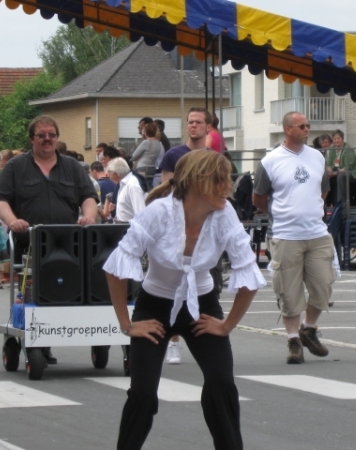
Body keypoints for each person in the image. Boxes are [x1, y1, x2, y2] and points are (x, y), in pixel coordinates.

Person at [104, 149, 265, 450]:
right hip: (154, 306)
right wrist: (127, 325)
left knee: (222, 386)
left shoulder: (224, 213)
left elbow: (249, 274)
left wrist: (227, 325)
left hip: (202, 305)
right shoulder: (159, 212)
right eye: (222, 180)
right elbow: (116, 268)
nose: (229, 187)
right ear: (198, 183)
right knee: (143, 394)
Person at [0, 115, 98, 364]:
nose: (47, 139)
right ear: (32, 140)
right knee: (34, 292)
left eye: (52, 134)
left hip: (68, 243)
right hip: (29, 242)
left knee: (68, 288)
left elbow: (88, 196)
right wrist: (12, 220)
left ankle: (76, 330)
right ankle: (40, 339)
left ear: (57, 137)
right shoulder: (15, 167)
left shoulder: (72, 167)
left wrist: (89, 216)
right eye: (42, 135)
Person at [253, 111, 335, 364]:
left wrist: (308, 210)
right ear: (288, 129)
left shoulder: (317, 157)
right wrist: (283, 213)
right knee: (289, 293)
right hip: (286, 234)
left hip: (317, 232)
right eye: (301, 126)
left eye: (308, 125)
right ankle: (293, 340)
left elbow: (323, 191)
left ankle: (308, 328)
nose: (307, 129)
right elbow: (259, 198)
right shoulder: (270, 161)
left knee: (323, 285)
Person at [159, 106, 214, 364]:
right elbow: (165, 188)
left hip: (205, 225)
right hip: (179, 224)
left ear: (207, 127)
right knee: (175, 280)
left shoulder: (214, 156)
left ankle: (207, 335)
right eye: (190, 122)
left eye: (198, 122)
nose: (193, 126)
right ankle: (173, 340)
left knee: (204, 283)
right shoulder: (174, 155)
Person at [106, 157, 146, 223]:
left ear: (115, 174)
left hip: (129, 227)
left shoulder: (133, 185)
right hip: (122, 226)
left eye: (109, 173)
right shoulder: (123, 184)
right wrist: (116, 208)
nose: (108, 176)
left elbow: (140, 212)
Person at [329, 130, 356, 204]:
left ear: (342, 139)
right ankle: (327, 203)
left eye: (338, 138)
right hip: (338, 170)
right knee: (325, 176)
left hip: (352, 172)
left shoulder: (348, 149)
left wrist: (334, 173)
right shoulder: (332, 148)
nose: (336, 141)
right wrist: (329, 172)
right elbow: (329, 164)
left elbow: (348, 167)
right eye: (334, 139)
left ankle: (342, 203)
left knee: (341, 176)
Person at [130, 122, 163, 186]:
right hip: (152, 167)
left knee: (142, 186)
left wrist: (132, 159)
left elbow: (134, 155)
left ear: (146, 132)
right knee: (149, 186)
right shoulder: (158, 143)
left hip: (142, 167)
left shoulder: (146, 142)